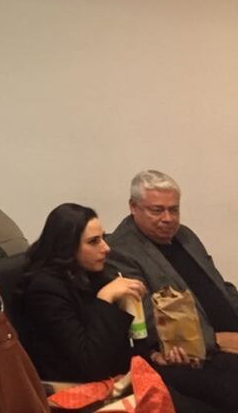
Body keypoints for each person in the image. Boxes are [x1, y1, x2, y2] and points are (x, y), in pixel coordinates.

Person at [18, 203, 218, 413]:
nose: (106, 247)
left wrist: (154, 356)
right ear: (68, 247)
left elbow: (122, 342)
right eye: (94, 242)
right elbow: (90, 362)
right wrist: (105, 299)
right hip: (83, 391)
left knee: (217, 387)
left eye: (103, 237)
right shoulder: (45, 290)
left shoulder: (92, 274)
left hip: (121, 375)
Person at [108, 170, 238, 411]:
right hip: (194, 355)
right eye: (157, 210)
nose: (168, 218)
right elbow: (147, 321)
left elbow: (220, 286)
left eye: (174, 209)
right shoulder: (121, 251)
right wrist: (218, 341)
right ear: (133, 207)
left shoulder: (185, 236)